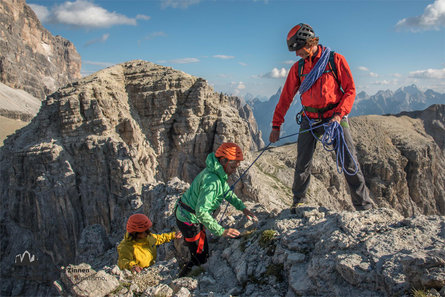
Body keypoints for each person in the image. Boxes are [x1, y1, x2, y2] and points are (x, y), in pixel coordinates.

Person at [269, 23, 373, 213]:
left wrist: (339, 114)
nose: (296, 54)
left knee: (348, 161)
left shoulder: (335, 60)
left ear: (309, 43)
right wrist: (276, 125)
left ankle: (363, 206)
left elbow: (350, 90)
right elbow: (285, 98)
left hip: (334, 117)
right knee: (302, 162)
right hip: (310, 118)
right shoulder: (297, 69)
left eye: (298, 49)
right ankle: (298, 201)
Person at [175, 142, 257, 277]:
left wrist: (243, 208)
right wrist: (222, 231)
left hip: (189, 214)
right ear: (223, 161)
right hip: (188, 220)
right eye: (232, 166)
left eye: (236, 166)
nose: (234, 170)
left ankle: (192, 251)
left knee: (202, 250)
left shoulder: (216, 172)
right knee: (200, 256)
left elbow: (226, 192)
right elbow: (201, 211)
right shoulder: (212, 182)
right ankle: (182, 280)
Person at [117, 213, 182, 273]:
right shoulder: (126, 246)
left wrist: (173, 235)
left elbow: (158, 238)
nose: (147, 233)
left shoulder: (147, 238)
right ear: (135, 233)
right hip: (138, 273)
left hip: (150, 269)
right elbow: (123, 260)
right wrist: (132, 266)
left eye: (147, 230)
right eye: (143, 232)